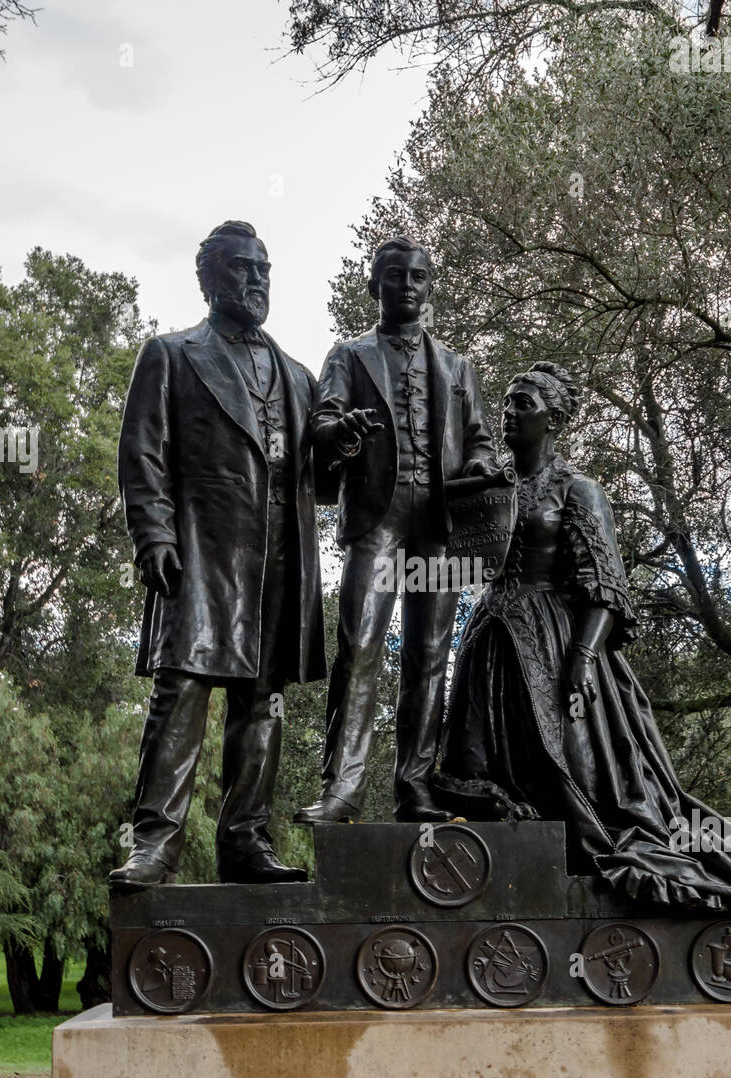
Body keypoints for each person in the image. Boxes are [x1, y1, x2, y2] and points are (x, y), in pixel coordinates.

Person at [435, 362, 731, 913]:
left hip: (556, 637)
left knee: (577, 770)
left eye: (524, 404)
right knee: (481, 767)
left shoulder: (579, 491)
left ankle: (579, 875)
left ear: (554, 419)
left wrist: (582, 658)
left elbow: (605, 587)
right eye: (507, 402)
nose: (509, 412)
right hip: (491, 641)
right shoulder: (490, 486)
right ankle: (503, 878)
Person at [111, 221, 328, 888]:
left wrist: (341, 448)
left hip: (279, 557)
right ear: (208, 280)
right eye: (241, 269)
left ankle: (245, 841)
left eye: (263, 269)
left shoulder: (297, 375)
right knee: (181, 690)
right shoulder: (172, 355)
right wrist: (154, 535)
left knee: (262, 702)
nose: (256, 280)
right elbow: (142, 454)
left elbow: (322, 486)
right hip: (204, 550)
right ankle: (155, 845)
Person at [294, 237, 500, 826]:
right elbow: (321, 425)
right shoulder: (350, 356)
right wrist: (343, 431)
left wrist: (483, 463)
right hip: (378, 518)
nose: (406, 286)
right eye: (394, 276)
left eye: (417, 277)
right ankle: (343, 791)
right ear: (374, 285)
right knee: (359, 648)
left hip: (439, 522)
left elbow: (480, 438)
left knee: (430, 654)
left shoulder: (459, 368)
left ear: (429, 287)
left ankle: (415, 786)